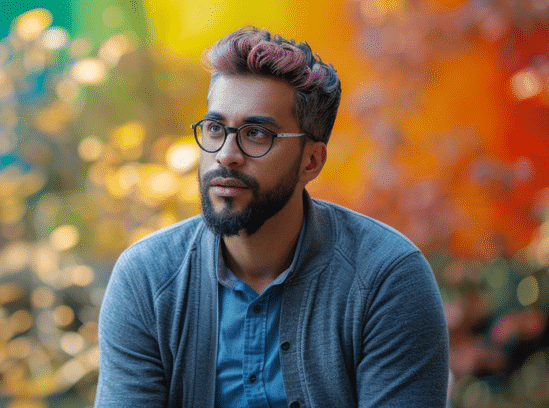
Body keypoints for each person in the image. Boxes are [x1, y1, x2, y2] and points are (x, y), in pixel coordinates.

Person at [96, 26, 449, 407]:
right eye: (216, 128)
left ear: (311, 162)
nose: (226, 154)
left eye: (257, 134)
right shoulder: (147, 279)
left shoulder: (386, 279)